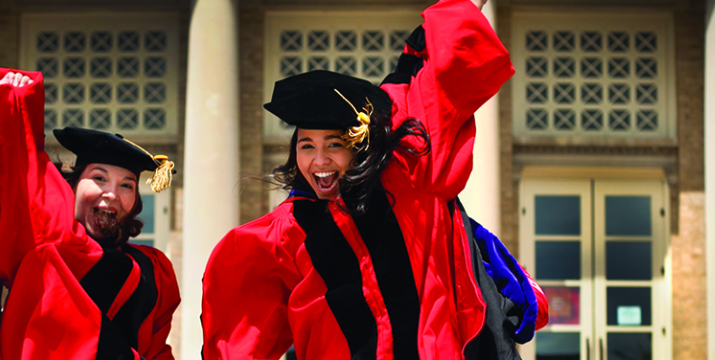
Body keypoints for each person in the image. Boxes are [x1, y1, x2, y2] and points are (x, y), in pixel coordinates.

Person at [201, 0, 548, 358]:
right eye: (306, 145)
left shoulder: (405, 184)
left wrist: (462, 7)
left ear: (359, 146)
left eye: (334, 144)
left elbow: (436, 87)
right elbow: (243, 335)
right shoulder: (285, 232)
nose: (319, 161)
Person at [0, 69, 180, 360]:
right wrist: (6, 107)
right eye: (100, 178)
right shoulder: (42, 242)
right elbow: (2, 186)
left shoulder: (153, 270)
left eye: (126, 185)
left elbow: (155, 349)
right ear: (73, 186)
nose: (112, 193)